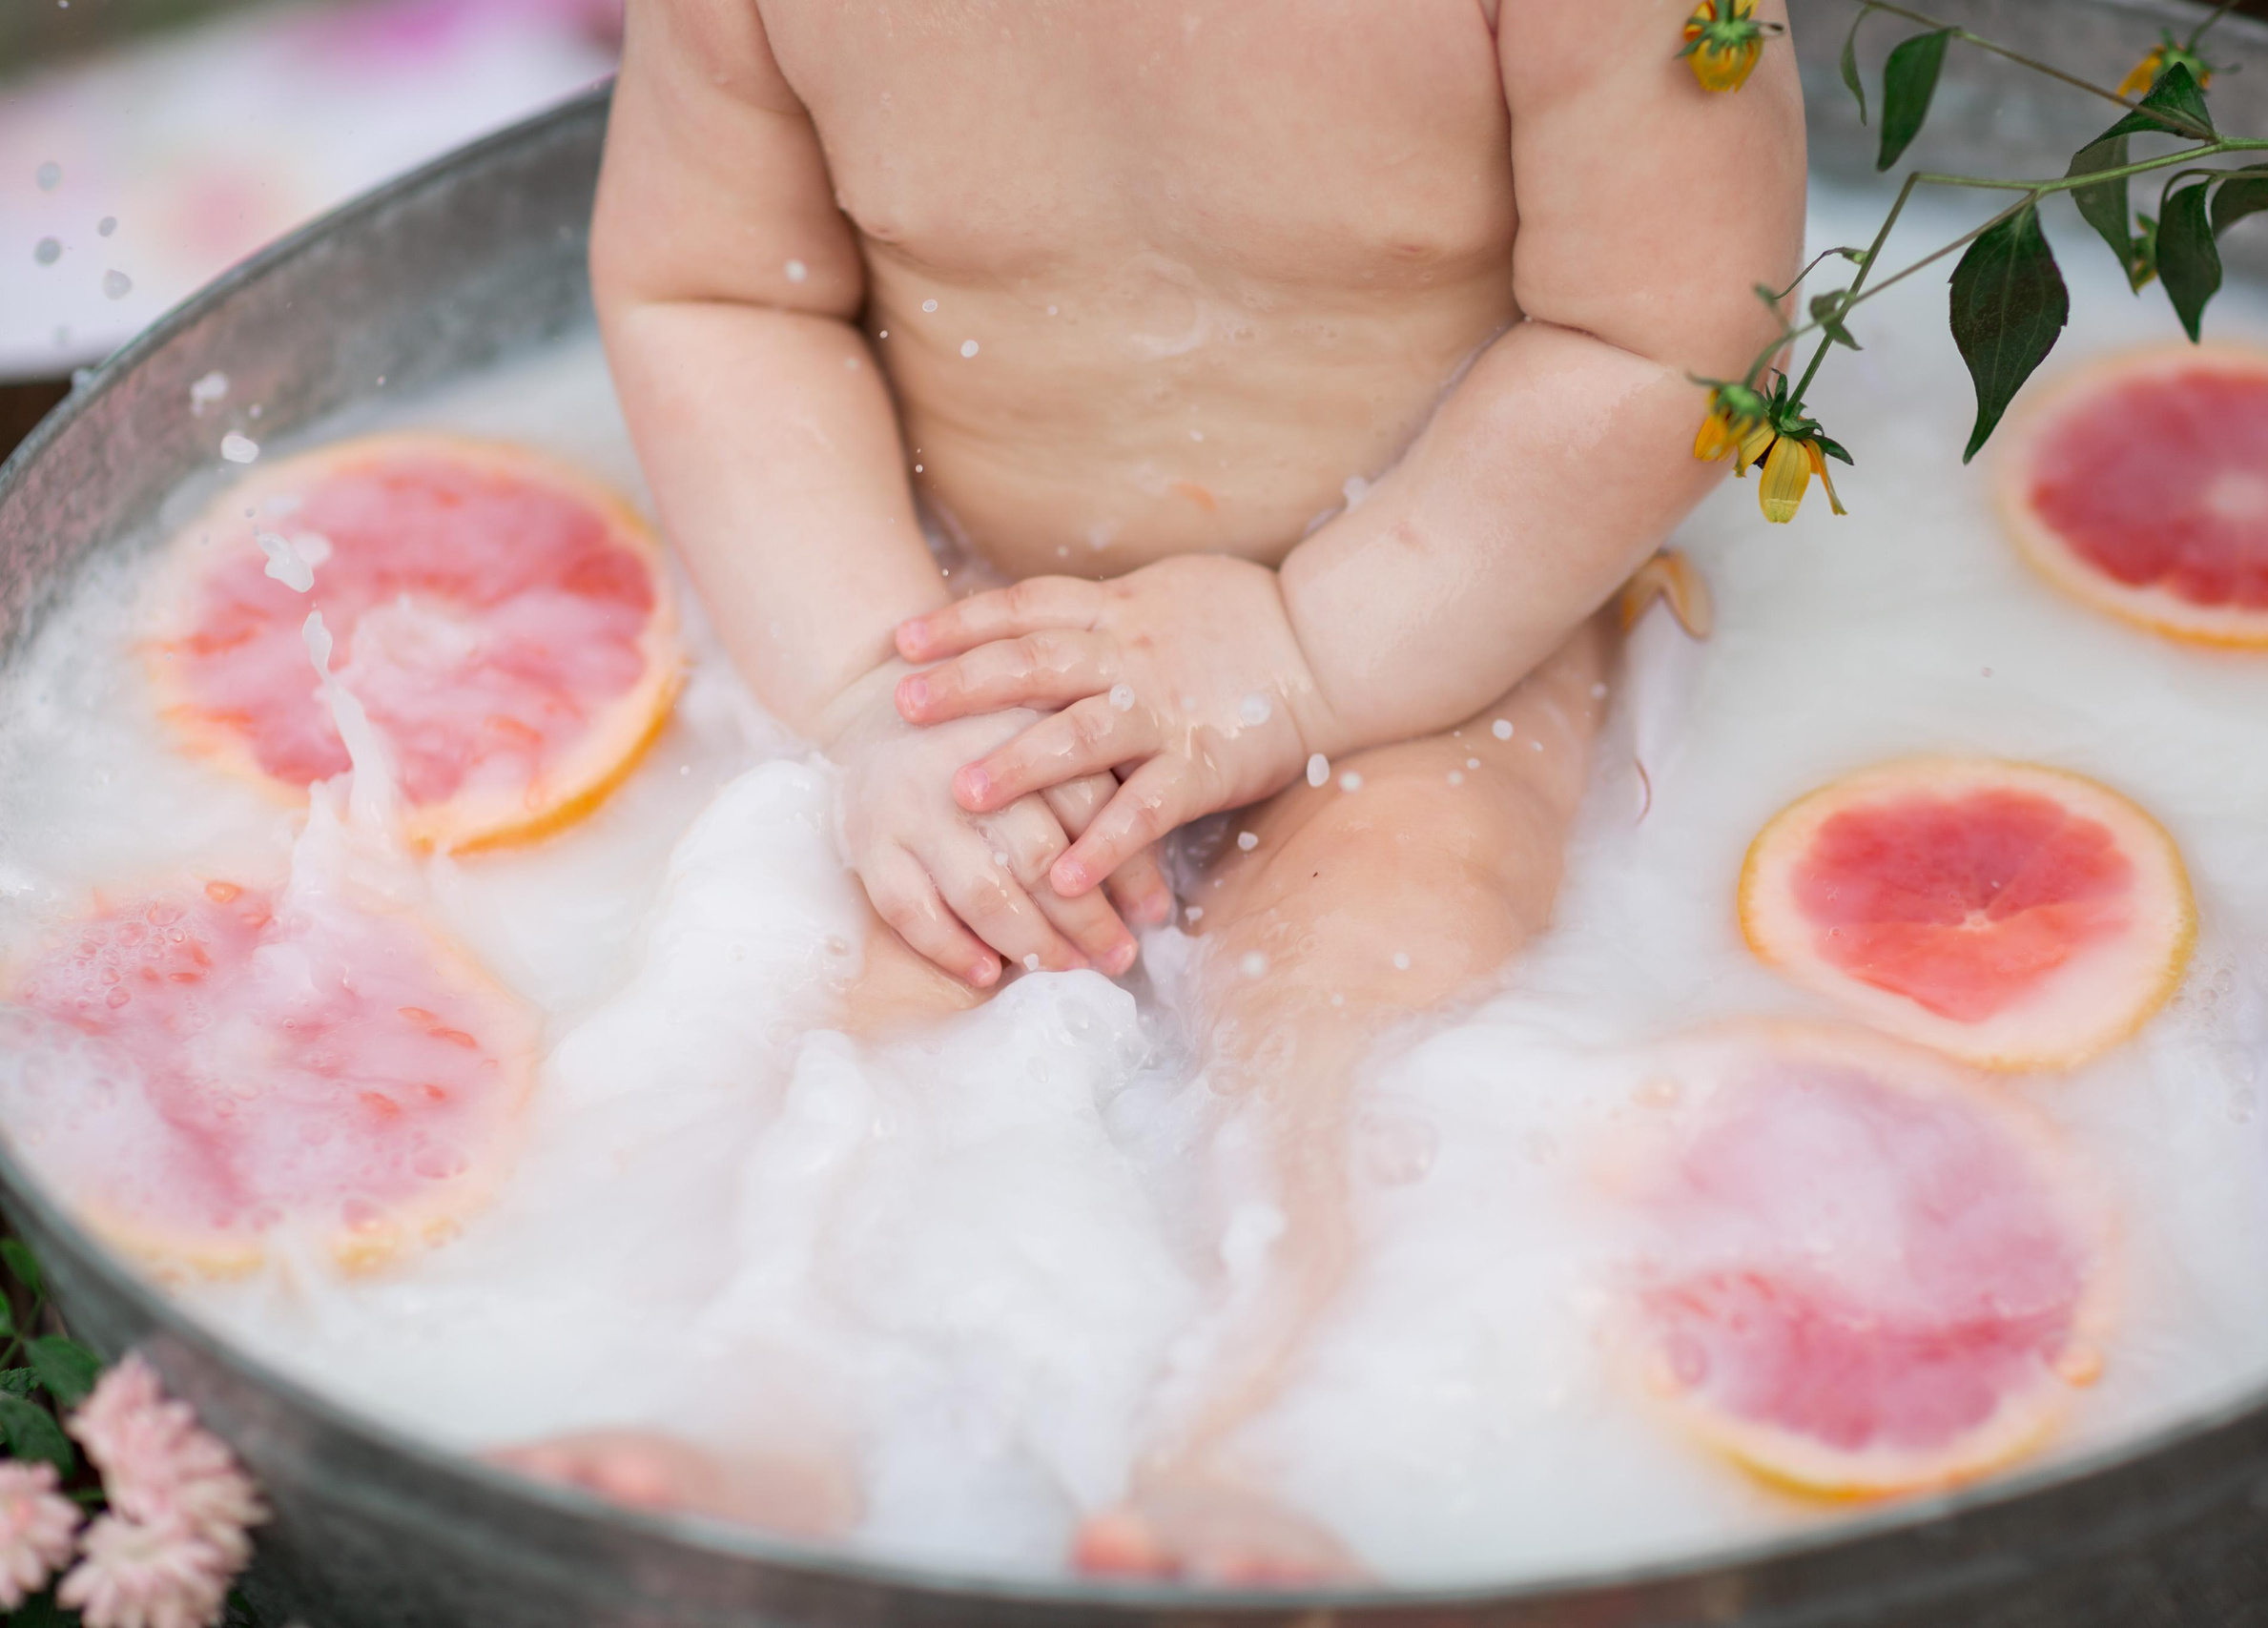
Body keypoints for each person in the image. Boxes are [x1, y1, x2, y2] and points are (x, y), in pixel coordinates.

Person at [505, 0, 1804, 1581]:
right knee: (886, 975)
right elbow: (714, 294)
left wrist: (1310, 649)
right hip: (962, 629)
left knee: (1382, 967)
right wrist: (866, 694)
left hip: (1434, 624)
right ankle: (777, 1389)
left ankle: (1284, 1434)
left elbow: (1671, 335)